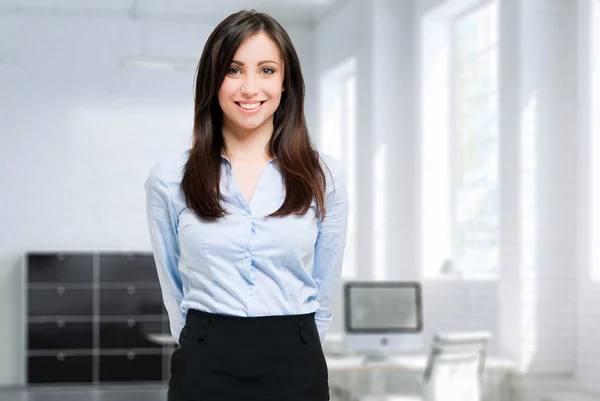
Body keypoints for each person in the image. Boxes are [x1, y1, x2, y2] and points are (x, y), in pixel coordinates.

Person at [144, 9, 348, 401]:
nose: (250, 87)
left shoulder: (325, 176)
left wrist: (303, 343)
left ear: (287, 82)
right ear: (213, 80)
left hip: (295, 361)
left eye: (267, 70)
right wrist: (201, 339)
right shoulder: (170, 177)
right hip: (205, 362)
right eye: (234, 70)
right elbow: (172, 283)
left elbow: (325, 281)